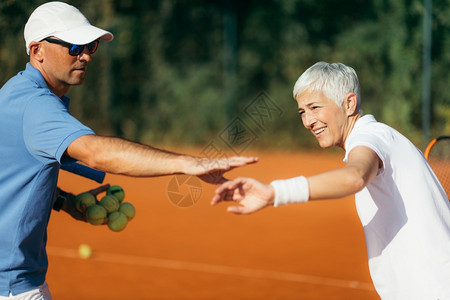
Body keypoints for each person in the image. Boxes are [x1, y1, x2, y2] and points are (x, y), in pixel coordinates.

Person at [0, 2, 257, 299]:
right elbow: (95, 152)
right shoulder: (36, 105)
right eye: (73, 46)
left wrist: (63, 200)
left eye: (90, 46)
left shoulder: (12, 94)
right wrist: (189, 164)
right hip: (13, 287)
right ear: (37, 51)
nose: (85, 55)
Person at [212, 62, 450, 299]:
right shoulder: (382, 136)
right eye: (302, 112)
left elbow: (355, 176)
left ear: (349, 103)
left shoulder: (371, 137)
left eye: (315, 107)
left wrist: (277, 192)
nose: (308, 121)